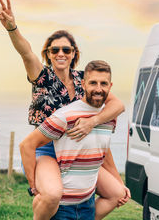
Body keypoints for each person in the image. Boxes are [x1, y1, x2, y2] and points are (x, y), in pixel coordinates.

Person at [0, 0, 130, 220]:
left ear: (73, 53)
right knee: (52, 194)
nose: (61, 53)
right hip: (47, 149)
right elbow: (26, 51)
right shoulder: (42, 76)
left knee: (117, 193)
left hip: (78, 149)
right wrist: (12, 28)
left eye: (66, 49)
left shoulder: (85, 80)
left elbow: (117, 105)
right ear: (48, 53)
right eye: (55, 49)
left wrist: (92, 122)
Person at [20, 60, 127, 220]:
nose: (98, 89)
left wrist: (119, 183)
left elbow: (101, 152)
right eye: (93, 83)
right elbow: (27, 145)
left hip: (87, 206)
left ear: (110, 86)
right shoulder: (65, 116)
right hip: (62, 208)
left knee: (116, 193)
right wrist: (35, 188)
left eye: (103, 83)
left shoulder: (109, 118)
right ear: (83, 84)